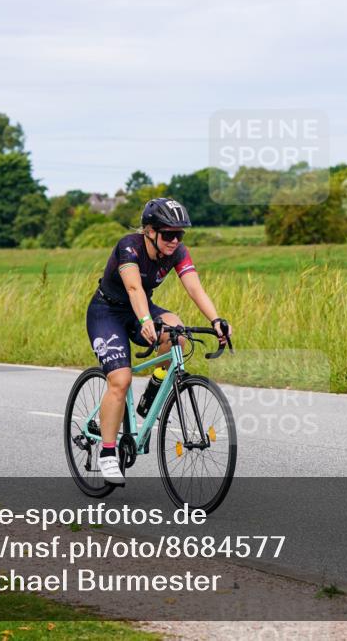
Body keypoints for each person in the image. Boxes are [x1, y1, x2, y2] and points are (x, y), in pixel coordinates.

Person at [86, 197, 232, 485]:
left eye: (180, 234)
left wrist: (216, 320)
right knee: (121, 379)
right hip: (108, 312)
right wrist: (144, 321)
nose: (174, 240)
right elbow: (133, 287)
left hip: (141, 310)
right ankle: (106, 453)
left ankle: (154, 387)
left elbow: (194, 288)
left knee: (176, 328)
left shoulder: (177, 252)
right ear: (149, 231)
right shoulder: (129, 246)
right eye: (168, 234)